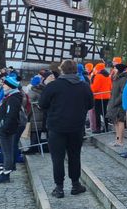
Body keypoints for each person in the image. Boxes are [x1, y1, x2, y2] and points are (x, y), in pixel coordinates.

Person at [39, 59, 94, 198]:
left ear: (61, 70)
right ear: (76, 70)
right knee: (74, 156)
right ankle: (75, 184)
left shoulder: (53, 86)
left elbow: (42, 103)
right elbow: (90, 104)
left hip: (56, 127)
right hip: (76, 127)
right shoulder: (84, 86)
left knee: (57, 158)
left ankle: (59, 188)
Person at [0, 76, 25, 183]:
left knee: (7, 152)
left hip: (6, 130)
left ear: (10, 86)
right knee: (7, 151)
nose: (3, 86)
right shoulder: (10, 96)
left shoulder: (13, 98)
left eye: (5, 84)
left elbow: (11, 115)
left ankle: (6, 174)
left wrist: (3, 128)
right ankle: (5, 171)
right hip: (6, 128)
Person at [107, 63, 127, 148]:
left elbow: (123, 93)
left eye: (115, 68)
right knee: (115, 122)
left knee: (120, 122)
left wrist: (116, 101)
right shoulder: (116, 78)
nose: (113, 70)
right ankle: (117, 139)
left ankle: (120, 141)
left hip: (119, 105)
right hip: (114, 103)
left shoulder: (123, 79)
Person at [26, 75, 45, 154]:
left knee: (34, 131)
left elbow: (29, 103)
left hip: (35, 114)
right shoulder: (42, 90)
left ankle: (33, 147)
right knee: (38, 131)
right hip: (40, 114)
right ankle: (36, 147)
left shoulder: (32, 91)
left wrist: (27, 115)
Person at [90, 63, 112, 133]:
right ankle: (106, 128)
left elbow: (95, 88)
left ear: (98, 69)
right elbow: (110, 86)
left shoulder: (98, 76)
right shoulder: (108, 76)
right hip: (107, 96)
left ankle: (98, 128)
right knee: (104, 112)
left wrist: (91, 89)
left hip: (99, 97)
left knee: (97, 113)